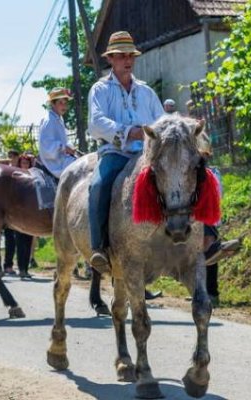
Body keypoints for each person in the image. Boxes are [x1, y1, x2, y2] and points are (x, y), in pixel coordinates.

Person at [87, 31, 165, 271]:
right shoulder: (100, 89)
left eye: (131, 55)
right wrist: (129, 131)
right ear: (110, 59)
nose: (127, 60)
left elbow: (162, 121)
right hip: (115, 153)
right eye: (121, 55)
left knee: (185, 177)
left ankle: (206, 240)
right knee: (98, 185)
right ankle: (99, 248)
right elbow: (95, 123)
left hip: (147, 154)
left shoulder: (146, 92)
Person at [38, 87, 78, 179]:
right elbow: (47, 146)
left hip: (61, 158)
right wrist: (65, 148)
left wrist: (71, 148)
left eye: (65, 103)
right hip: (54, 164)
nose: (64, 106)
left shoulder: (58, 118)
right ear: (52, 104)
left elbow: (64, 141)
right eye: (60, 103)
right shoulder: (49, 120)